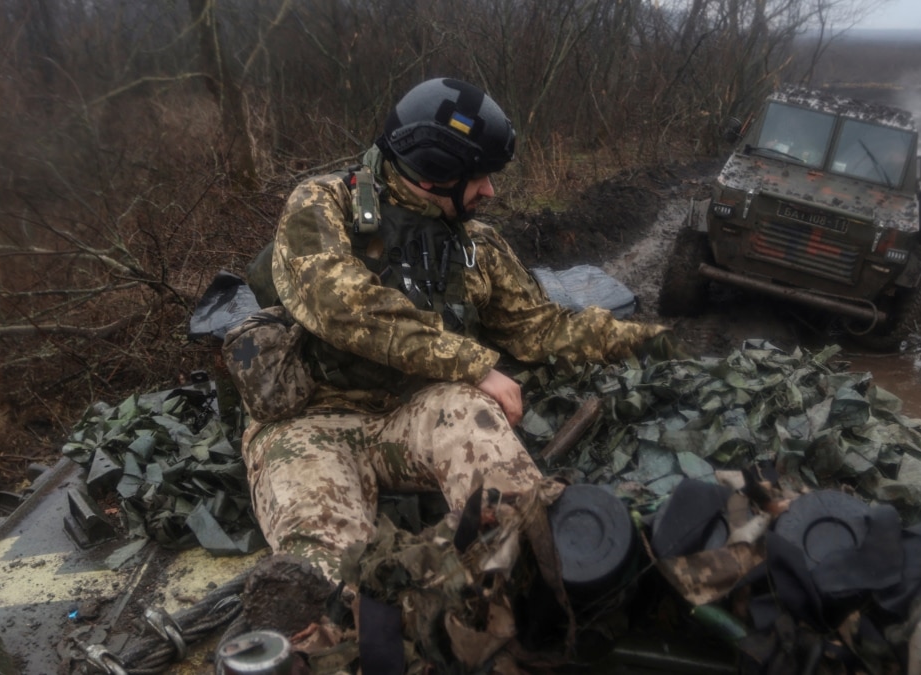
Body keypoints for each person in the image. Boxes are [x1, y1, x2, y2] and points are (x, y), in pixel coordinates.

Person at [239, 77, 678, 583]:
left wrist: (639, 339)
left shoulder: (478, 245)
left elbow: (539, 328)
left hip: (416, 412)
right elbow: (346, 308)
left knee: (484, 438)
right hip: (311, 421)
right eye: (479, 177)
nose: (491, 190)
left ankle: (535, 576)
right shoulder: (322, 204)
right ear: (433, 172)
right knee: (329, 581)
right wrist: (475, 364)